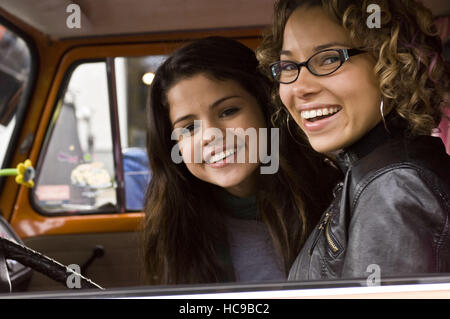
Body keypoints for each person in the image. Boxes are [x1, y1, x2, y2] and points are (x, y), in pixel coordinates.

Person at [257, 0, 450, 280]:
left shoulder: (394, 185)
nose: (299, 88)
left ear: (391, 62)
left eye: (330, 58)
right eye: (288, 66)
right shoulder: (371, 173)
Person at [142, 36, 341, 285]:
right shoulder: (175, 226)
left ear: (266, 109)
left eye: (228, 111)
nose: (210, 136)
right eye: (189, 128)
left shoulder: (334, 199)